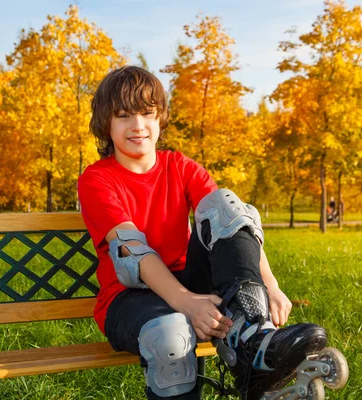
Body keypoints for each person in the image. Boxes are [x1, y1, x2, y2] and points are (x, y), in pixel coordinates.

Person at [78, 66, 339, 400]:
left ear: (160, 117)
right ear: (105, 122)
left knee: (225, 203)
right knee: (170, 335)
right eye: (124, 115)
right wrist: (186, 303)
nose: (138, 125)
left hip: (190, 283)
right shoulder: (97, 180)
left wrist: (269, 285)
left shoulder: (181, 167)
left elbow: (230, 224)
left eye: (147, 113)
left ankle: (254, 348)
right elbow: (133, 252)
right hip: (130, 298)